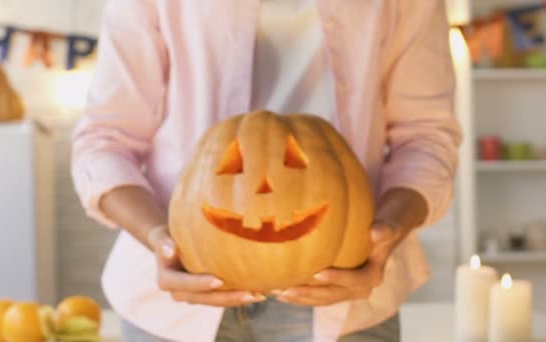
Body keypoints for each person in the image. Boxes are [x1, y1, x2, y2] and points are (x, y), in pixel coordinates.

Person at [71, 0, 462, 341]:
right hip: (171, 306)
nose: (263, 189)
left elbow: (426, 139)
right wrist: (159, 238)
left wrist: (387, 232)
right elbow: (104, 141)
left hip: (348, 299)